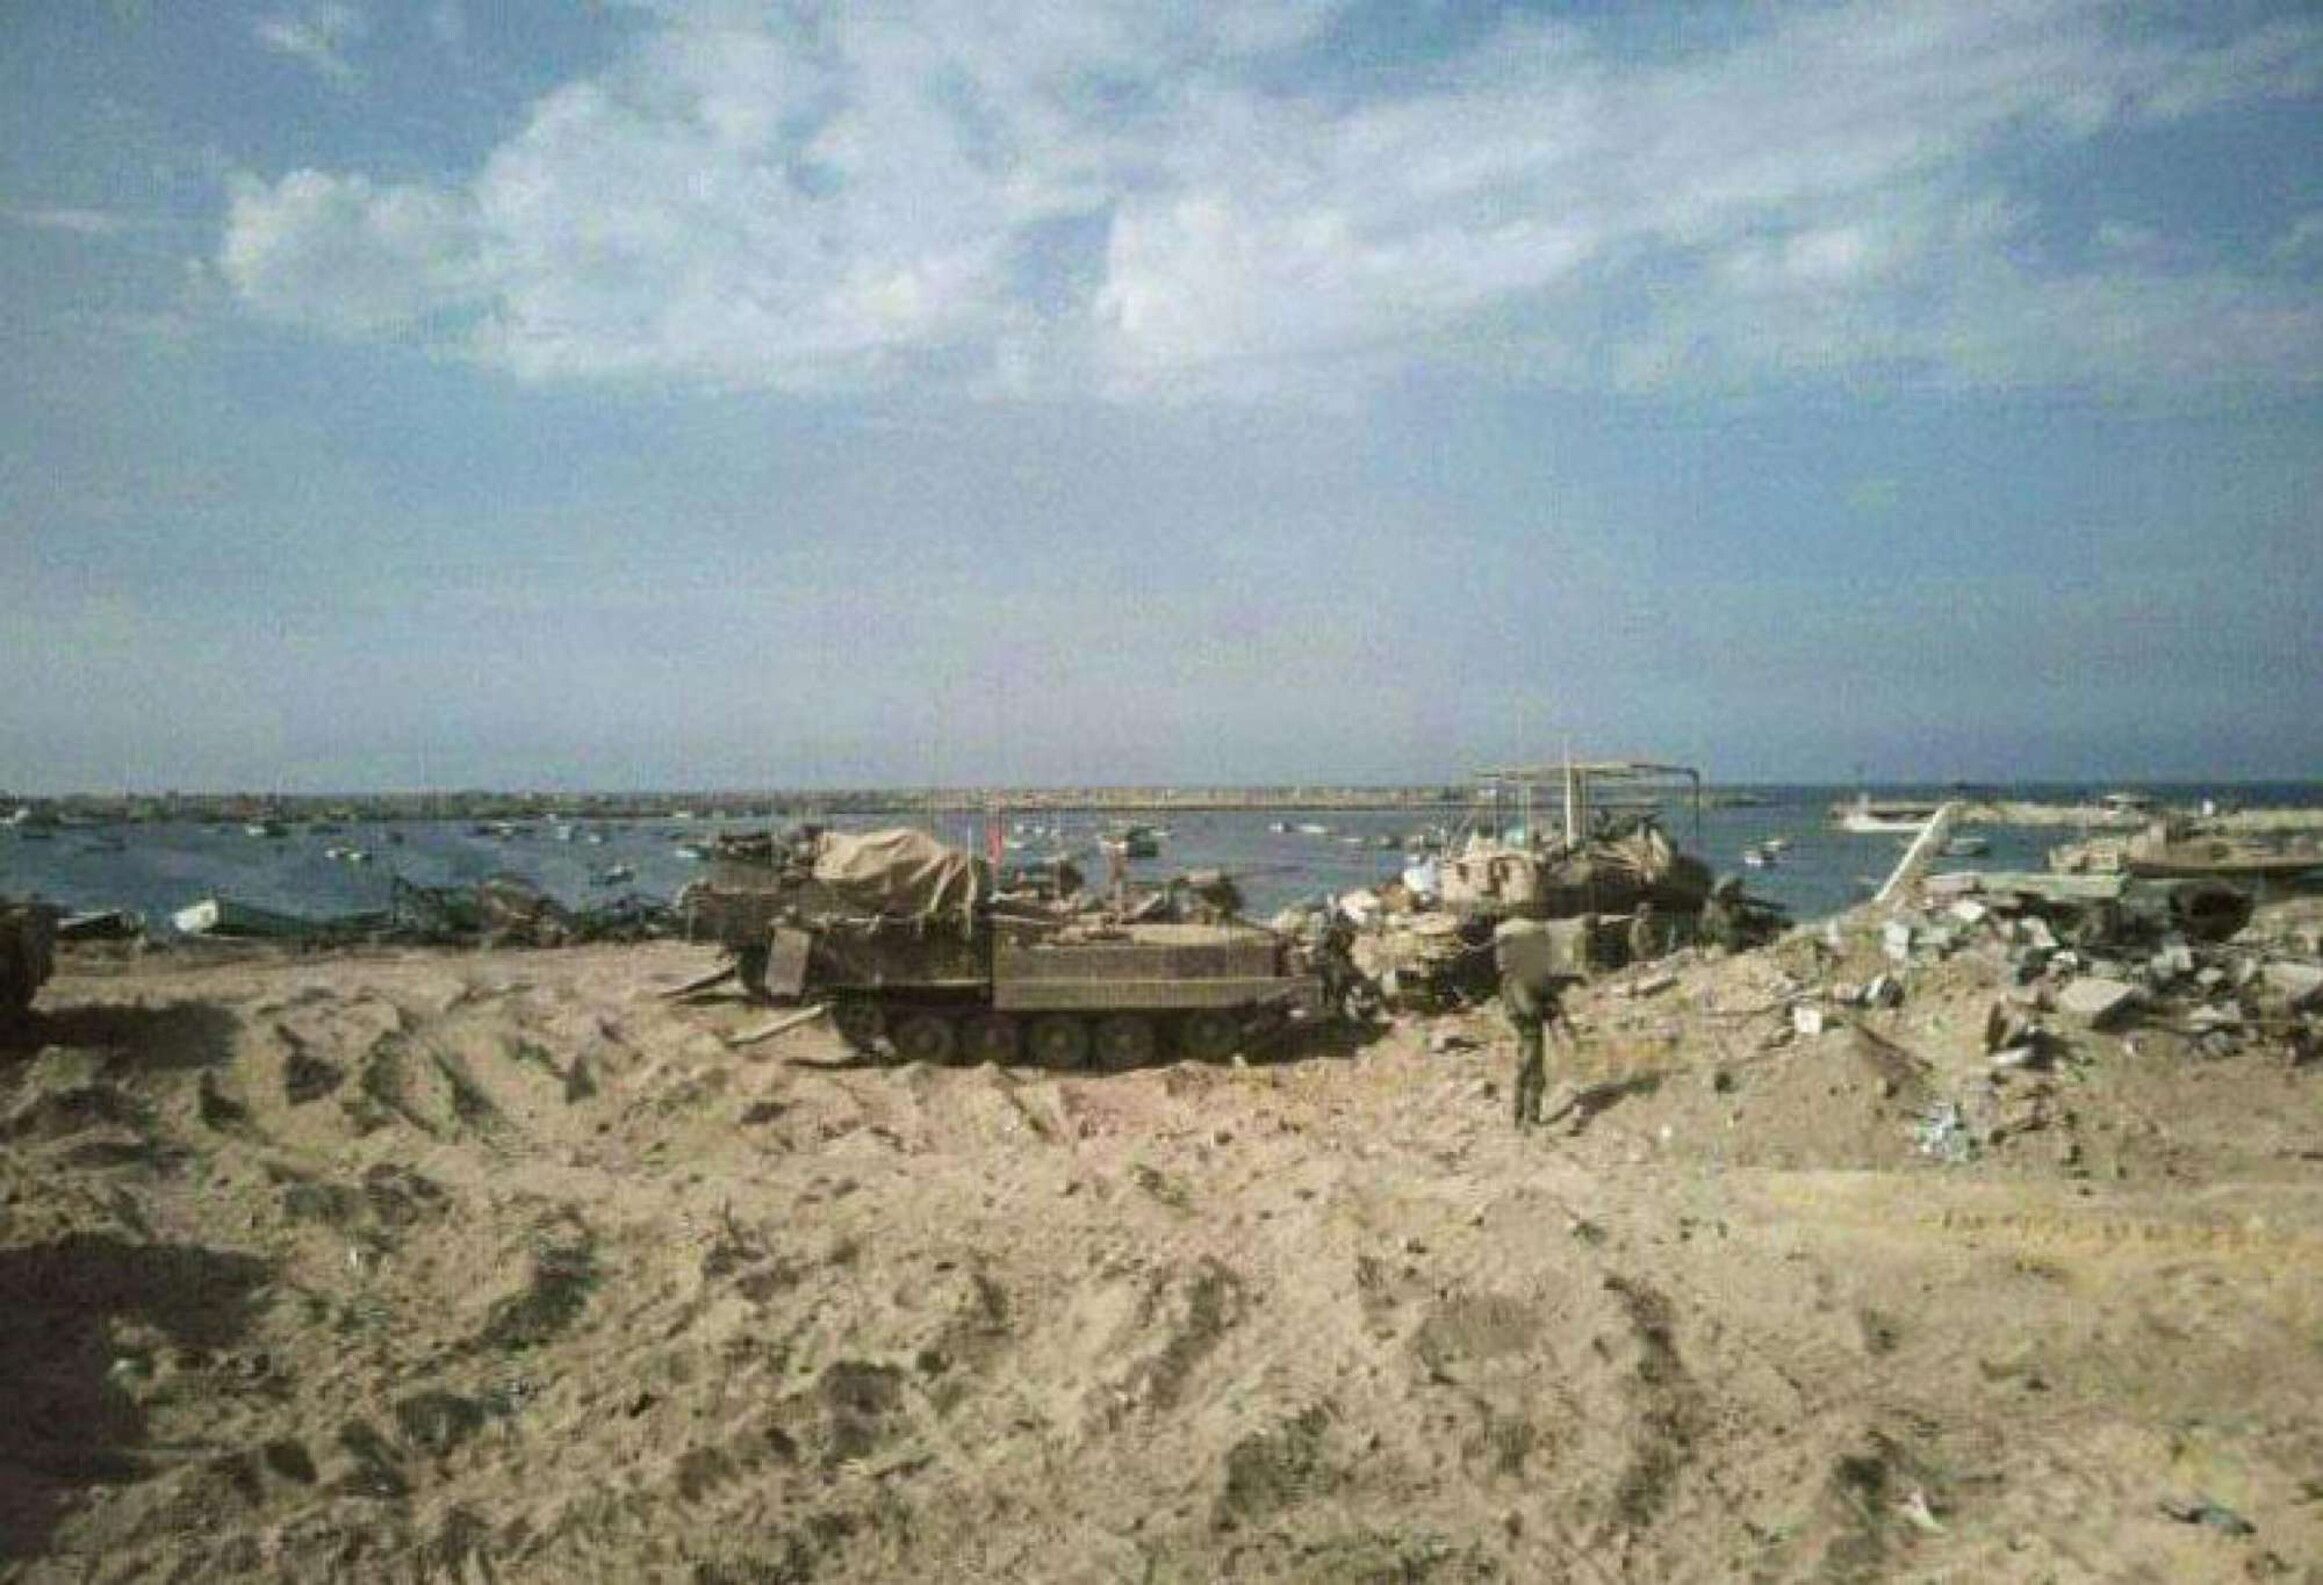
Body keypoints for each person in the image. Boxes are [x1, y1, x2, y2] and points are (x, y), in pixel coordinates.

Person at [1494, 916, 1583, 1129]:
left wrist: (1551, 1006)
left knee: (1527, 1071)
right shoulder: (1519, 979)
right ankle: (1527, 1119)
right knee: (1532, 1072)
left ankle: (1522, 1117)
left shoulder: (1516, 977)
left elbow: (1541, 997)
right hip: (1529, 1030)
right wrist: (1549, 1010)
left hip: (1526, 1028)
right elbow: (1530, 1009)